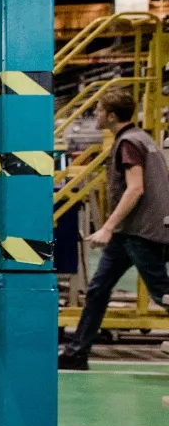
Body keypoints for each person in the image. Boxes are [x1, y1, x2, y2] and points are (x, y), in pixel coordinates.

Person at [60, 86, 169, 369]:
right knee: (98, 288)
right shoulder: (142, 138)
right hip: (129, 233)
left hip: (140, 232)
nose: (95, 115)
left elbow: (135, 189)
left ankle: (77, 351)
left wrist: (107, 226)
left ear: (110, 115)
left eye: (98, 110)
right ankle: (76, 353)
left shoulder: (128, 143)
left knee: (162, 293)